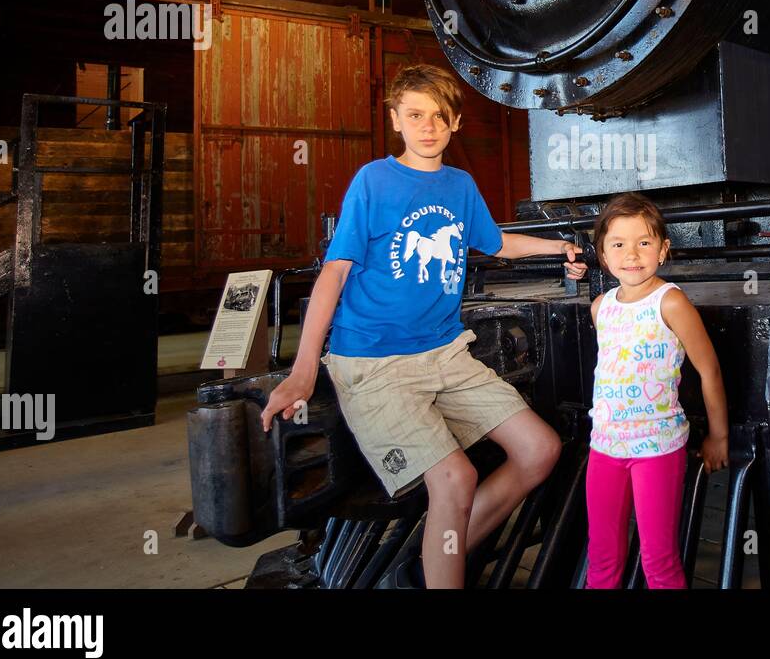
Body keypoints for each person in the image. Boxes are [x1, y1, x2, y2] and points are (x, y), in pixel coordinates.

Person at [261, 64, 587, 588]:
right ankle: (442, 560)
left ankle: (433, 556)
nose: (428, 126)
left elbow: (496, 242)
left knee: (540, 450)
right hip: (374, 361)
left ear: (455, 122)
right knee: (455, 477)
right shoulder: (374, 181)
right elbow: (334, 275)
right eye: (415, 115)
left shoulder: (459, 185)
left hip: (445, 353)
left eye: (439, 116)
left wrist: (560, 248)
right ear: (396, 120)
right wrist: (302, 371)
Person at [586, 192, 729, 589]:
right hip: (605, 447)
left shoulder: (671, 302)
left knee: (659, 562)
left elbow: (709, 369)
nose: (631, 254)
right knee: (602, 560)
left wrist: (719, 435)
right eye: (618, 244)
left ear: (663, 250)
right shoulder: (601, 307)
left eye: (644, 243)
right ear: (603, 253)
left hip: (657, 448)